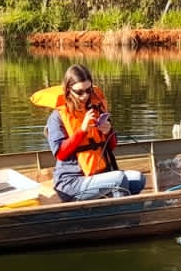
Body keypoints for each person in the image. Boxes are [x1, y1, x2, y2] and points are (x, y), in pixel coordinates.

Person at [41, 64, 145, 201]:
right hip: (71, 183)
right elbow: (60, 153)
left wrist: (108, 132)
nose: (85, 96)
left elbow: (111, 146)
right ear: (68, 90)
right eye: (79, 92)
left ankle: (115, 211)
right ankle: (123, 218)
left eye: (88, 90)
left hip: (99, 175)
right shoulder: (57, 117)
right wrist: (82, 130)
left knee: (138, 179)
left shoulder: (96, 110)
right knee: (119, 179)